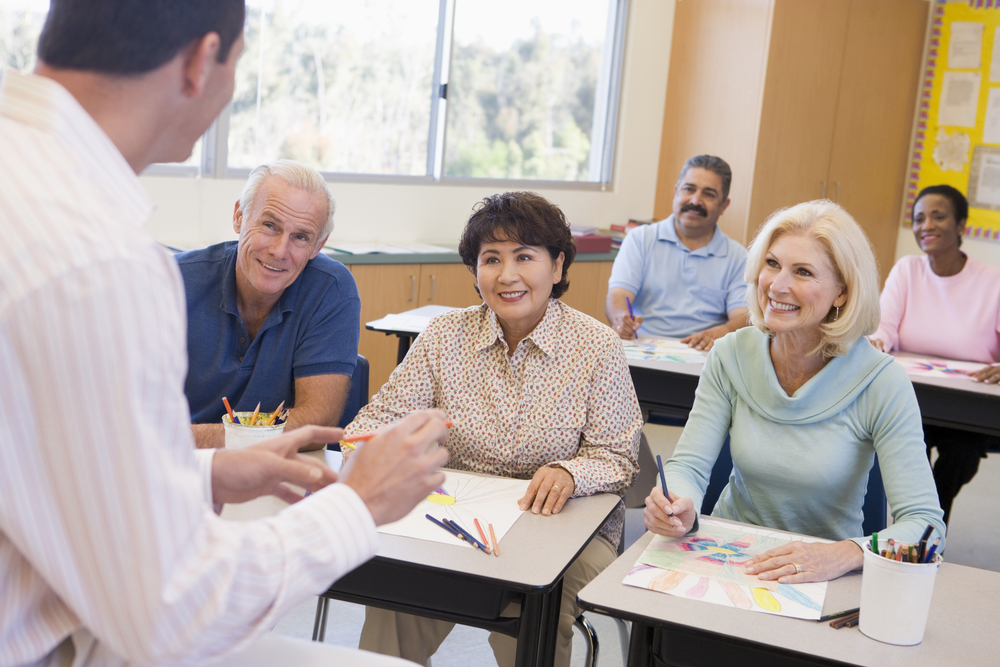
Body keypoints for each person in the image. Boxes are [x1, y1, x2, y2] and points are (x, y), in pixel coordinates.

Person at [0, 2, 449, 666]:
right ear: (199, 61)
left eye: (302, 238)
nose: (281, 250)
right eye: (238, 66)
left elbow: (42, 455)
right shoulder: (101, 261)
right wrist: (358, 503)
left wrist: (206, 465)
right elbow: (175, 609)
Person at [346, 192, 643, 667]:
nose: (507, 276)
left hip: (562, 524)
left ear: (558, 266)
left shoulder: (595, 347)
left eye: (525, 257)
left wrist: (569, 473)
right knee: (396, 589)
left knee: (539, 603)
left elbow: (619, 460)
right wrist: (398, 447)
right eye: (491, 259)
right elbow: (370, 427)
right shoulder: (444, 337)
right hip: (457, 521)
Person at [644, 200, 945, 585]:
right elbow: (688, 466)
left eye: (802, 272)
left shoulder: (882, 381)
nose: (777, 285)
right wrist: (678, 504)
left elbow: (927, 530)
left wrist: (844, 554)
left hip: (824, 572)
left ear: (842, 292)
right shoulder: (731, 354)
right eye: (772, 264)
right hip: (728, 553)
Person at [177, 159, 360, 450]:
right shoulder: (173, 281)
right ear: (239, 216)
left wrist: (187, 438)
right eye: (270, 225)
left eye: (301, 237)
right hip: (178, 469)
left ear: (318, 246)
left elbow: (317, 421)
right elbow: (130, 412)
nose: (279, 251)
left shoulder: (331, 289)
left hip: (273, 469)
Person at [870, 185, 1000, 525]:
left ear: (961, 225)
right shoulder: (908, 269)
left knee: (961, 453)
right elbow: (885, 326)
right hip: (912, 393)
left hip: (970, 401)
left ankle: (924, 523)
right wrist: (876, 342)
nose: (926, 224)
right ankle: (925, 528)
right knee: (904, 449)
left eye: (938, 216)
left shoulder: (993, 280)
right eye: (919, 218)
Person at [606, 154, 749, 351]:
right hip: (642, 349)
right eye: (689, 189)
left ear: (724, 205)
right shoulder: (640, 239)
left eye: (709, 194)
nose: (695, 200)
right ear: (676, 192)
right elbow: (618, 294)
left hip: (704, 356)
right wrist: (620, 318)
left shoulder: (738, 257)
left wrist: (722, 332)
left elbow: (742, 316)